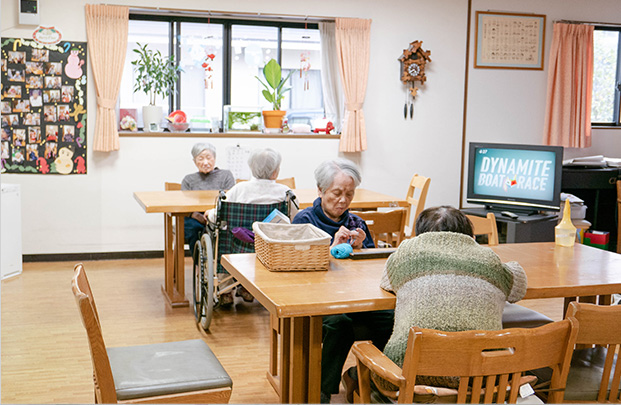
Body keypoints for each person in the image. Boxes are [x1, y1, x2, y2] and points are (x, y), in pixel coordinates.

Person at [369, 205, 527, 395]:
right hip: (481, 379)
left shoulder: (406, 254)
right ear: (470, 237)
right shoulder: (488, 259)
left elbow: (387, 281)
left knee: (365, 366)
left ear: (419, 235)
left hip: (410, 375)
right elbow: (518, 288)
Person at [292, 158, 394, 403]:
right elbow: (297, 267)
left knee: (391, 318)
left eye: (349, 194)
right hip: (318, 299)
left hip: (355, 297)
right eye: (336, 193)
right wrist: (329, 250)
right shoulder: (304, 221)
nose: (343, 200)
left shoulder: (356, 223)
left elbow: (373, 269)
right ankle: (321, 390)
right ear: (320, 190)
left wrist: (361, 248)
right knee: (339, 323)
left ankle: (366, 379)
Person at [203, 147, 290, 304]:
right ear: (275, 172)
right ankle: (247, 288)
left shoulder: (239, 189)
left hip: (237, 246)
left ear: (251, 168)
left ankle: (226, 292)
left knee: (223, 238)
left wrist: (209, 213)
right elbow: (293, 218)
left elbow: (217, 216)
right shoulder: (285, 193)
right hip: (269, 248)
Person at [181, 142, 235, 260]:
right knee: (192, 228)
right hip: (195, 217)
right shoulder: (188, 180)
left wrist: (212, 213)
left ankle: (224, 264)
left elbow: (231, 199)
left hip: (218, 214)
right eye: (200, 158)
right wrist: (196, 215)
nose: (205, 162)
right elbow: (183, 205)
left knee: (228, 228)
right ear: (194, 161)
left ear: (214, 158)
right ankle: (199, 263)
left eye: (208, 158)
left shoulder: (226, 175)